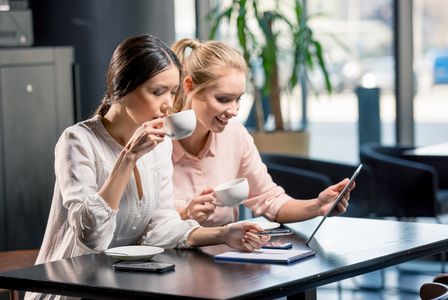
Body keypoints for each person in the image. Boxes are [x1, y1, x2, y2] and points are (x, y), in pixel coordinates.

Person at [27, 34, 269, 282]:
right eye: (157, 92)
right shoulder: (77, 141)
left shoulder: (160, 145)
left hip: (127, 283)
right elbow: (93, 238)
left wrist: (225, 234)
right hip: (74, 287)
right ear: (121, 88)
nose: (168, 105)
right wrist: (128, 157)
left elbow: (164, 228)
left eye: (173, 92)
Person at [170, 38, 355, 227]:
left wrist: (317, 207)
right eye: (223, 99)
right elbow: (140, 231)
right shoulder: (155, 142)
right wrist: (184, 217)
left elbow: (270, 200)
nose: (234, 111)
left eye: (238, 99)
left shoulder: (236, 137)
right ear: (189, 87)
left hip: (222, 255)